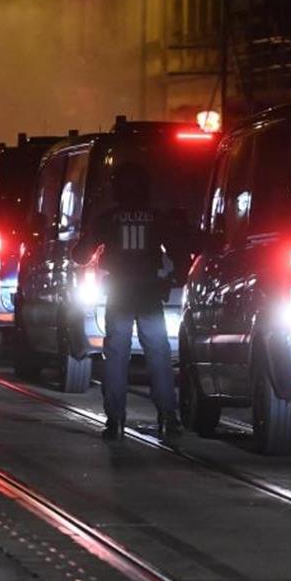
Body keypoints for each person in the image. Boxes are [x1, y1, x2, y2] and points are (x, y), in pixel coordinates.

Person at [71, 161, 186, 442]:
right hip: (148, 295)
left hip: (120, 294)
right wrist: (173, 278)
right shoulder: (156, 217)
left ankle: (116, 420)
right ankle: (169, 417)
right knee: (159, 355)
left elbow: (80, 255)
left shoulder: (108, 219)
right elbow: (179, 252)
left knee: (116, 357)